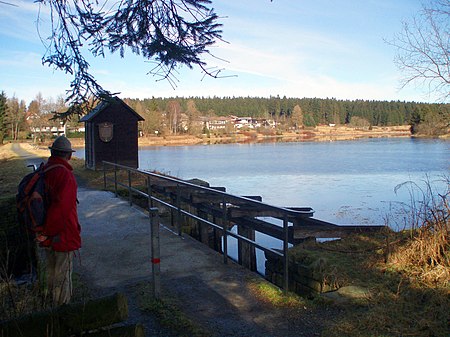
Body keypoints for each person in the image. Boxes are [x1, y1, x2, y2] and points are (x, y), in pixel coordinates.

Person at [38, 135, 81, 306]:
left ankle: (48, 309)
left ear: (53, 152)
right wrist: (49, 232)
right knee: (62, 277)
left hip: (46, 234)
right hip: (61, 234)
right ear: (68, 155)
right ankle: (61, 315)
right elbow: (62, 209)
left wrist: (43, 233)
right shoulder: (65, 175)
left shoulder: (45, 170)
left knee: (50, 273)